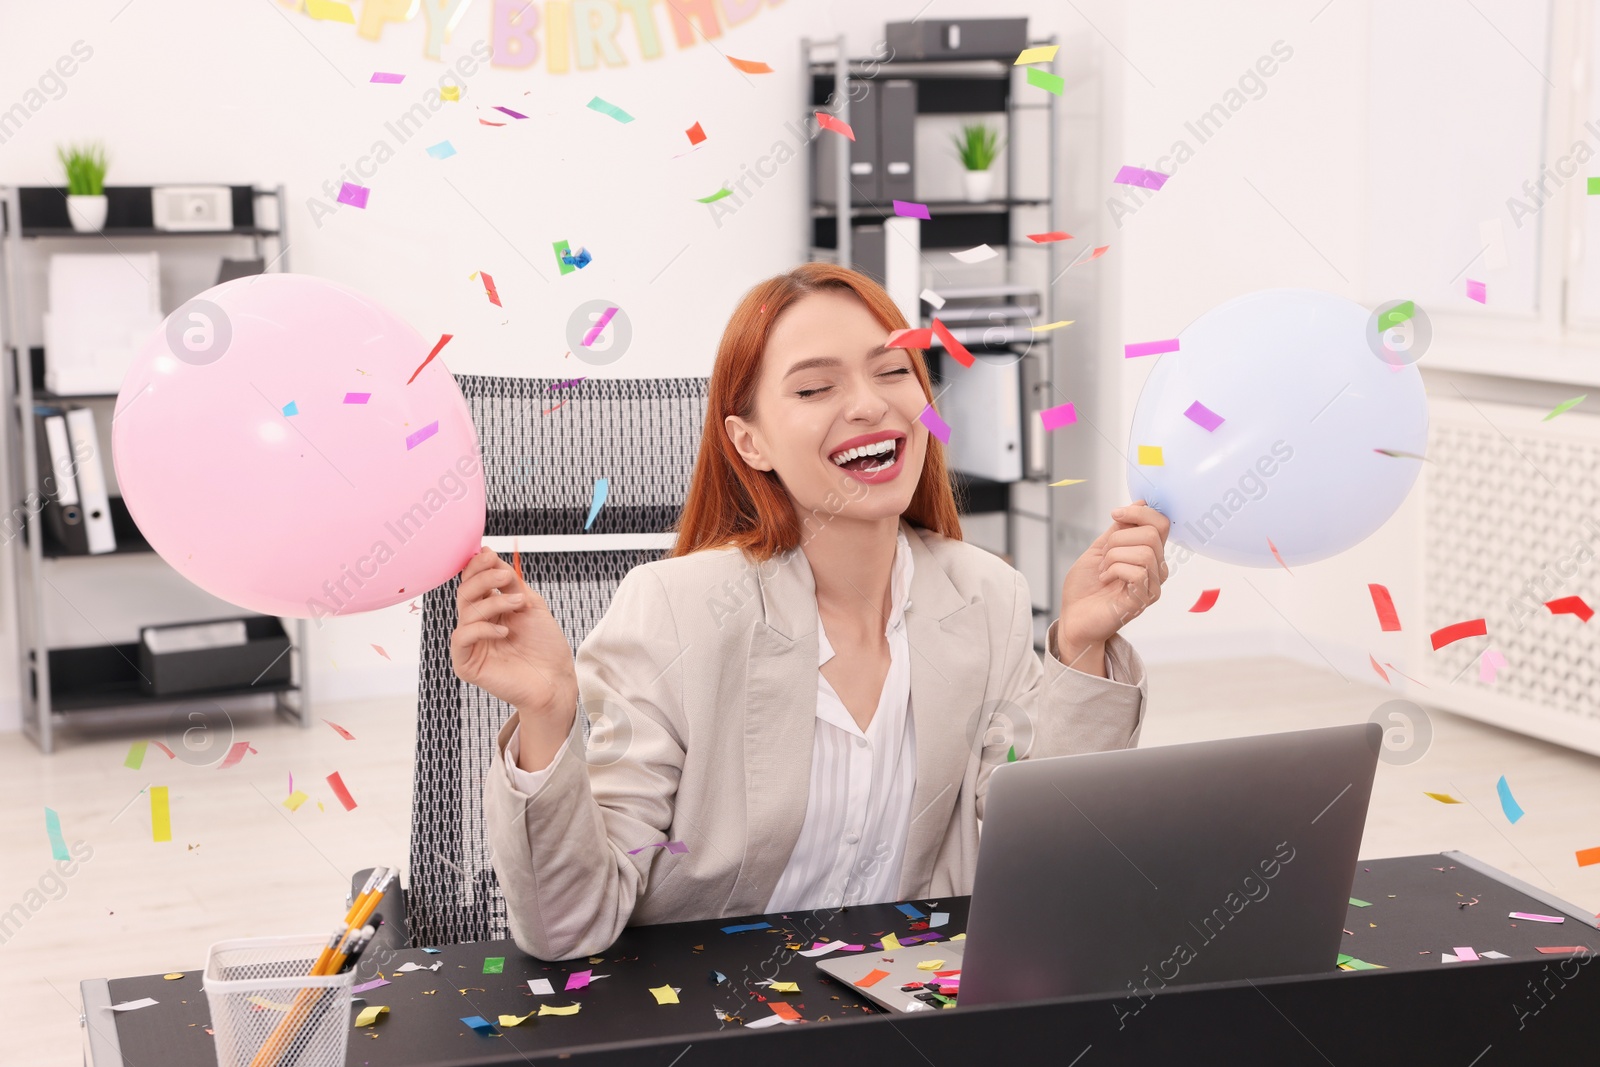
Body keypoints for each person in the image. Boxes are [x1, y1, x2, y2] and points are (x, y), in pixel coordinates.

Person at [453, 263, 1170, 961]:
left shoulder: (987, 596)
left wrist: (1080, 642)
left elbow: (1055, 866)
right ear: (749, 441)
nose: (868, 404)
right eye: (816, 386)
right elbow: (568, 926)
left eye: (893, 372)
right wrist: (550, 713)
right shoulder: (672, 613)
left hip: (906, 1017)